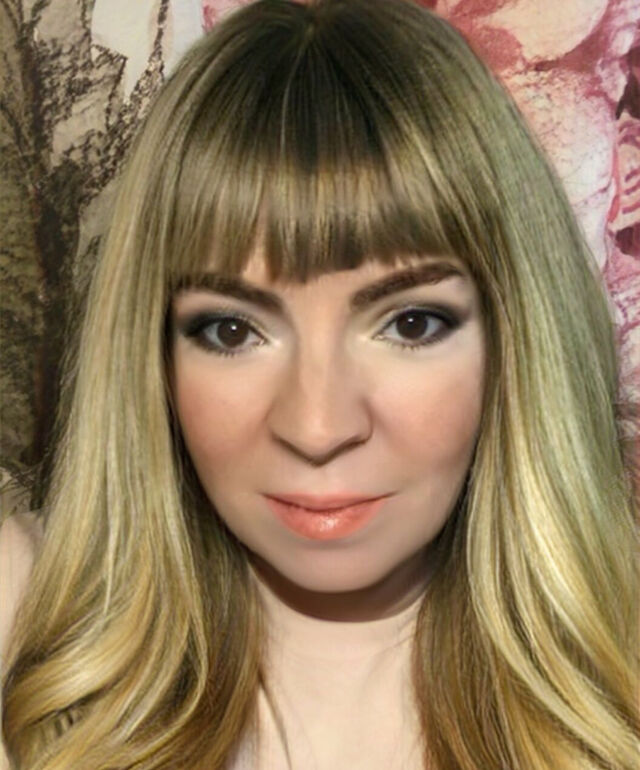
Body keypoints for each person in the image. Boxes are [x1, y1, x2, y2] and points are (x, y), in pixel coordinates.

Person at [1, 0, 637, 767]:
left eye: (411, 324)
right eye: (231, 331)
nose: (317, 426)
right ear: (151, 356)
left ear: (515, 338)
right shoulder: (22, 629)